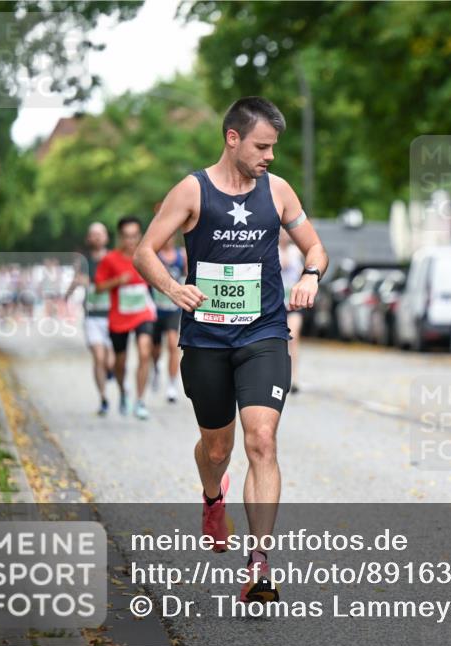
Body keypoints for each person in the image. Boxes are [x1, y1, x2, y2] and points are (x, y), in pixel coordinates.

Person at [133, 96, 327, 603]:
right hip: (206, 339)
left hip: (263, 333)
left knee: (261, 440)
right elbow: (144, 251)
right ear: (233, 138)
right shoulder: (192, 191)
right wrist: (174, 288)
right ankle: (212, 496)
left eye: (274, 148)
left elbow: (315, 246)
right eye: (262, 146)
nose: (270, 156)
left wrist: (310, 274)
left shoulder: (278, 191)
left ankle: (259, 563)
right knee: (216, 449)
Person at [96, 216, 157, 419]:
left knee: (144, 351)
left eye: (135, 236)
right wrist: (117, 281)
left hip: (143, 313)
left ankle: (140, 401)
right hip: (119, 317)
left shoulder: (147, 256)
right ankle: (123, 392)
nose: (131, 240)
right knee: (120, 363)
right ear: (120, 237)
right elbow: (98, 287)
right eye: (127, 236)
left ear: (140, 235)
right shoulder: (110, 259)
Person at [65, 222, 115, 416]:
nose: (96, 237)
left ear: (106, 238)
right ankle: (103, 398)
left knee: (111, 361)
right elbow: (76, 280)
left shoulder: (113, 258)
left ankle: (111, 371)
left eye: (99, 234)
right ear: (88, 239)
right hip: (92, 317)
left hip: (112, 317)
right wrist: (68, 294)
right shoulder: (83, 261)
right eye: (92, 234)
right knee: (98, 357)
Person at [150, 237, 187, 403]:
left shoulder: (181, 256)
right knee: (155, 348)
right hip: (156, 309)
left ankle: (172, 385)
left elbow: (189, 275)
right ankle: (156, 367)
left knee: (173, 345)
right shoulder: (154, 255)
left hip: (173, 309)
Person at [279, 232, 305, 393]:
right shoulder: (272, 250)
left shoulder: (296, 251)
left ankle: (294, 378)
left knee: (293, 337)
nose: (284, 236)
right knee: (278, 341)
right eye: (281, 234)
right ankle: (277, 374)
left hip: (293, 304)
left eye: (286, 234)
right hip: (275, 305)